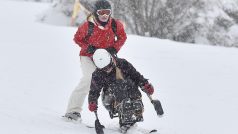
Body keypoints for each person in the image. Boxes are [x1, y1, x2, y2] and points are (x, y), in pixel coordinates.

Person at [63, 0, 127, 121]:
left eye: (107, 12)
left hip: (106, 57)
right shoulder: (88, 25)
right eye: (101, 12)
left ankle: (125, 114)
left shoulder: (115, 24)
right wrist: (88, 47)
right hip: (88, 57)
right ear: (95, 13)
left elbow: (122, 37)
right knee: (90, 78)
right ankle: (73, 111)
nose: (104, 15)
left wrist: (114, 48)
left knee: (118, 81)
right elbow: (77, 38)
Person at [88, 49, 155, 131]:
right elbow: (94, 91)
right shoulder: (97, 74)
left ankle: (135, 110)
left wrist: (145, 85)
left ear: (111, 59)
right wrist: (92, 102)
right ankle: (125, 121)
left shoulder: (122, 64)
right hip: (109, 98)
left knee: (130, 82)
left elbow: (136, 76)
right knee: (118, 85)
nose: (107, 69)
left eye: (109, 66)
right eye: (104, 69)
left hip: (126, 91)